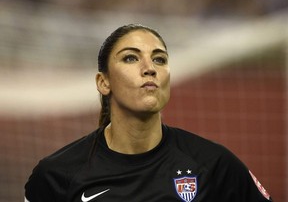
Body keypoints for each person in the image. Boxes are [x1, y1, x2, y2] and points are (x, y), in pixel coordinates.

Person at [24, 24, 272, 202]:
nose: (149, 68)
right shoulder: (56, 174)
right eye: (131, 58)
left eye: (160, 60)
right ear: (103, 82)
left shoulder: (214, 164)